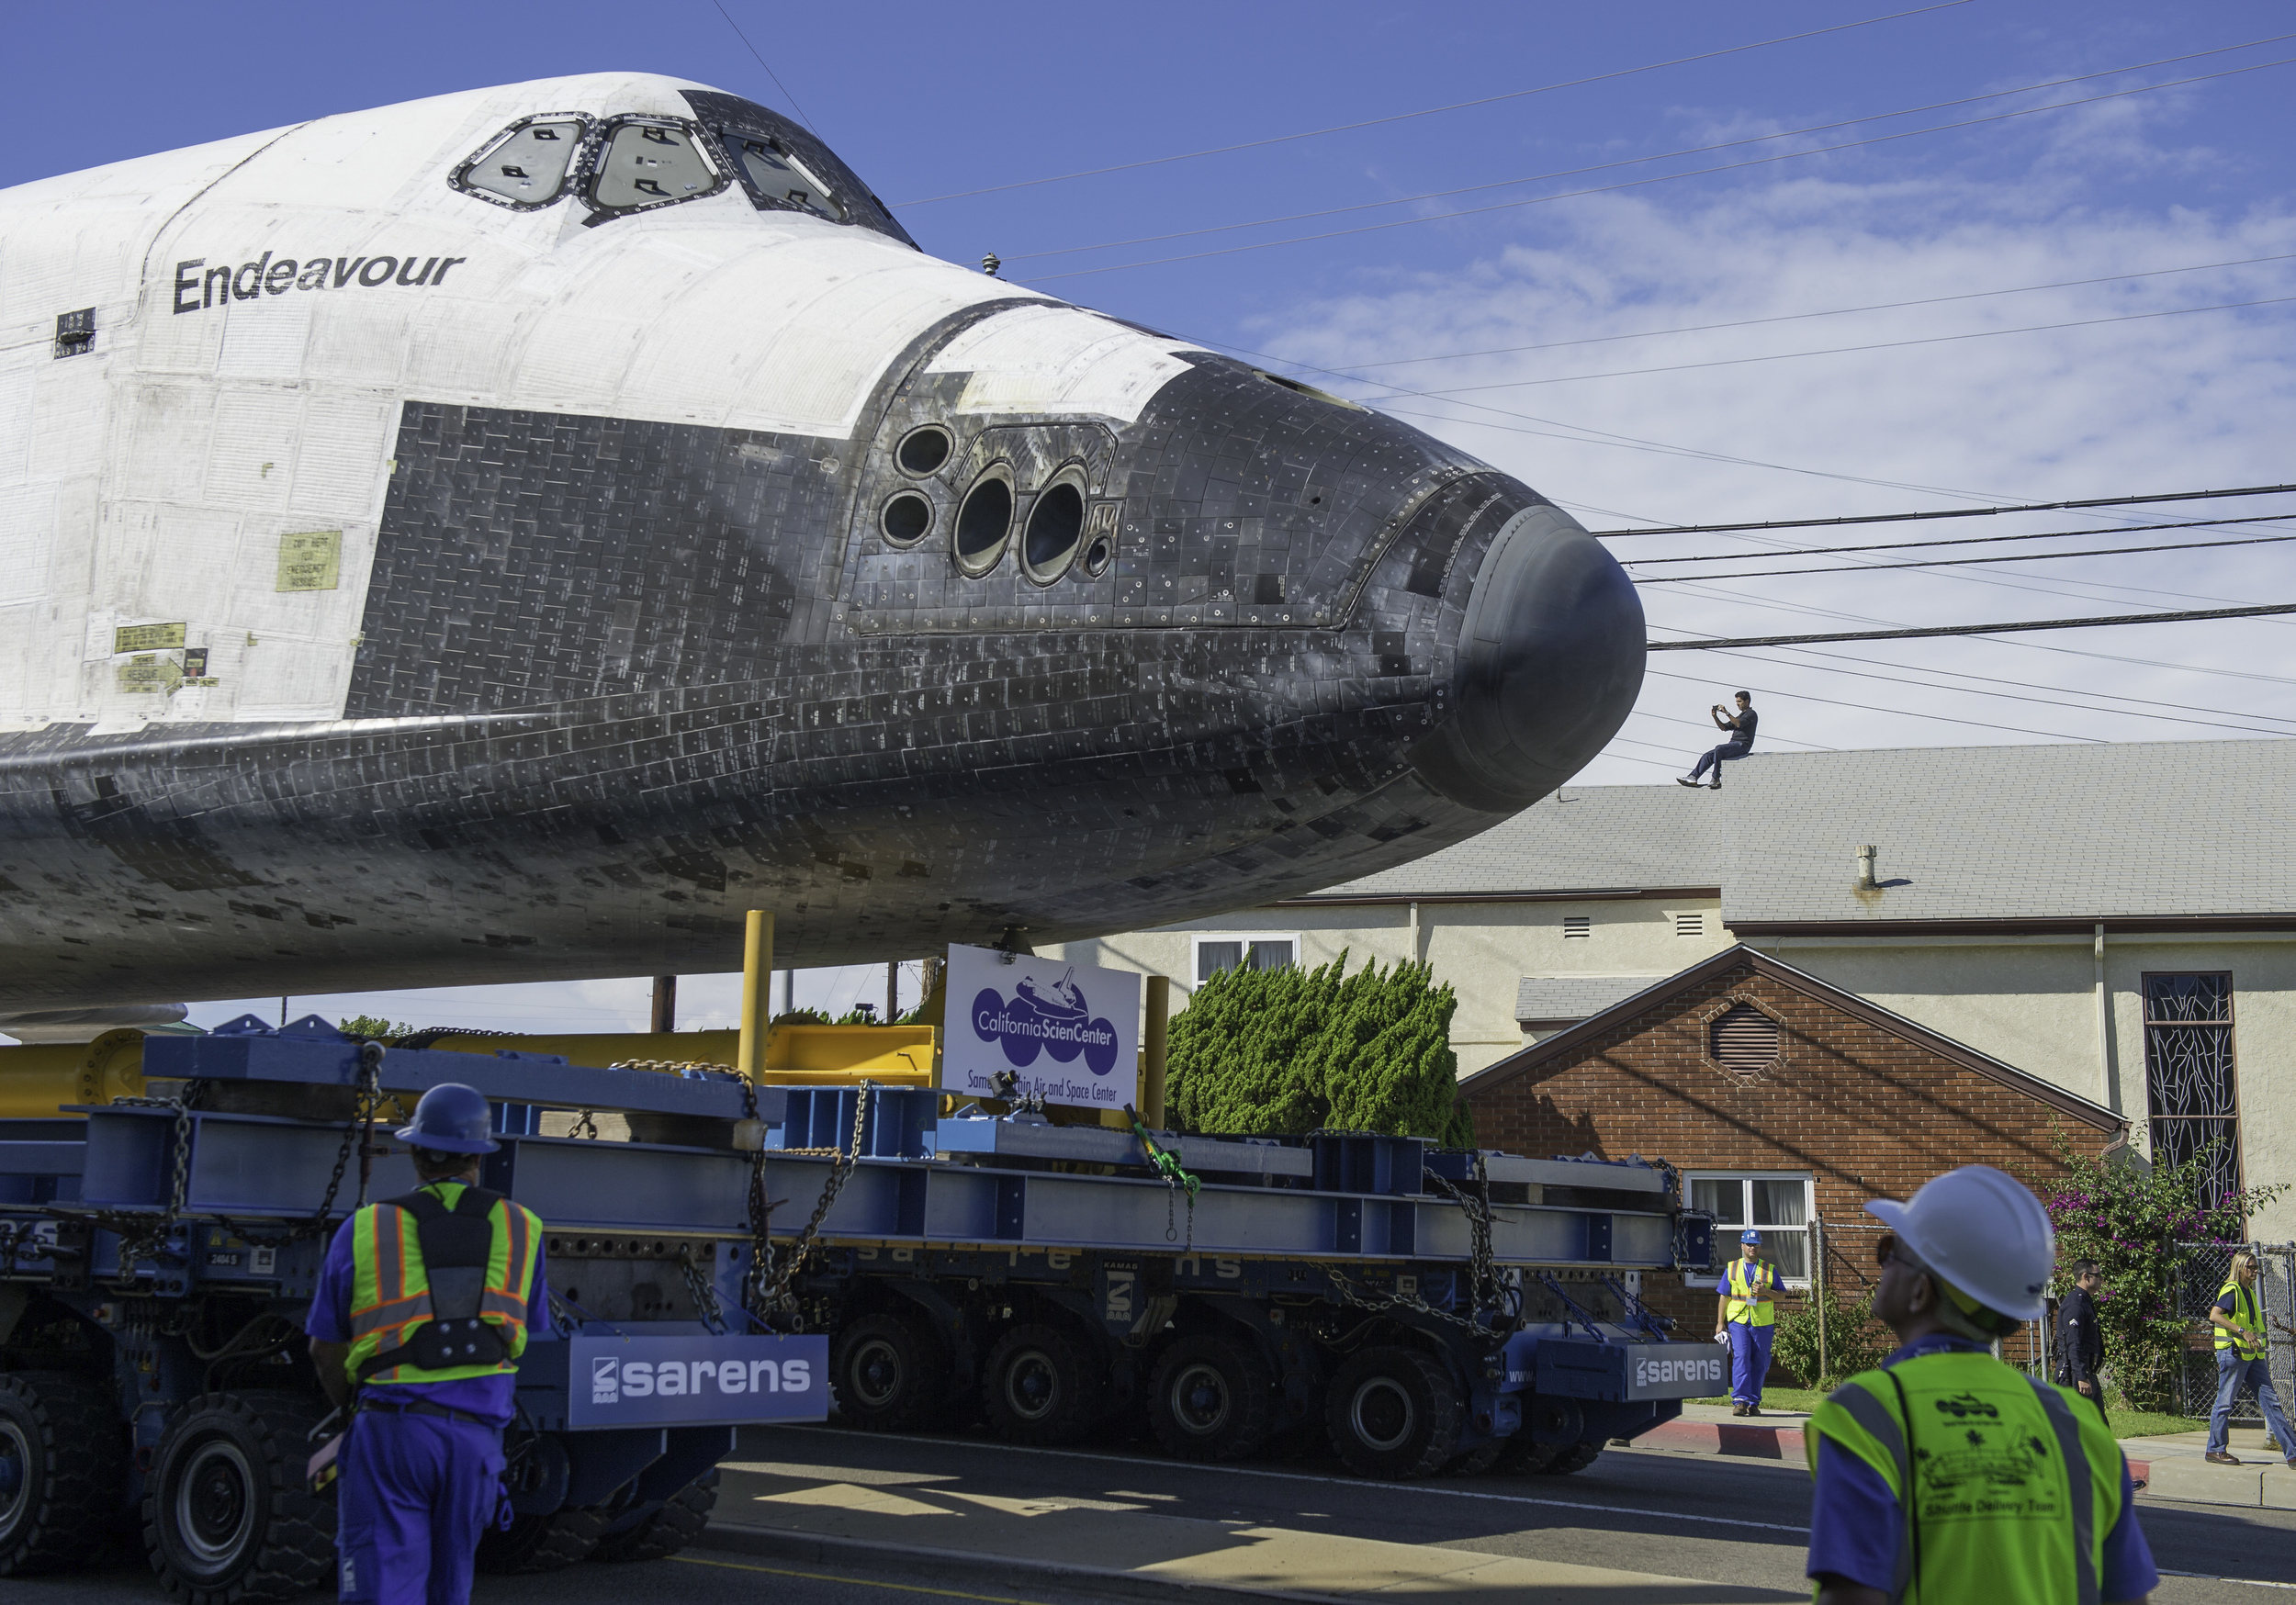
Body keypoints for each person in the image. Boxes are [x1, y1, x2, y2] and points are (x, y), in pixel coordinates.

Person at [1805, 1165, 2156, 1605]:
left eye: (1891, 1250)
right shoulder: (2077, 1424)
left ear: (1920, 1292)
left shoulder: (1863, 1417)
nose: (1881, 1260)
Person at [307, 1083, 549, 1605]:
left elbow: (322, 1348)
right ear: (481, 1157)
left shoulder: (365, 1228)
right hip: (476, 1443)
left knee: (382, 1587)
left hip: (392, 1434)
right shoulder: (524, 1228)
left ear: (414, 1153)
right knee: (450, 1588)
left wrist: (349, 1410)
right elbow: (529, 1336)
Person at [2203, 1248, 2296, 1467]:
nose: (2255, 1270)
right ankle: (2215, 1450)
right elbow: (2215, 1315)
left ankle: (2292, 1453)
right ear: (2240, 1268)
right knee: (2225, 1402)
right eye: (2251, 1267)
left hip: (2253, 1355)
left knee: (2271, 1403)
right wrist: (2242, 1331)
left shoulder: (2249, 1291)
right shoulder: (2232, 1289)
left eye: (2256, 1267)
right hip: (2234, 1353)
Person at [1713, 1229, 1778, 1417]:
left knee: (1760, 1362)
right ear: (1742, 1246)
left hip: (1762, 1323)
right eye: (1749, 1244)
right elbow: (1724, 1296)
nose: (1752, 1248)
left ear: (1760, 1247)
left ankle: (1753, 1402)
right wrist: (1720, 1323)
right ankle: (1740, 1401)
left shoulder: (1769, 1269)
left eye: (1756, 1245)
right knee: (1741, 1357)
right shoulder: (1732, 1268)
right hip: (1738, 1321)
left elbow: (1781, 1294)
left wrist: (1766, 1292)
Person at [2054, 1258, 2109, 1425]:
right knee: (2078, 1427)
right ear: (2086, 1276)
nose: (2101, 1279)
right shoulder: (2076, 1304)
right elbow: (2073, 1343)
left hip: (2086, 1373)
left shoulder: (2084, 1301)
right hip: (2074, 1375)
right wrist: (2081, 1376)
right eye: (2098, 1275)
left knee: (2099, 1426)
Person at [1681, 690, 1757, 789]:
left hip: (1743, 745)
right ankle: (1693, 777)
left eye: (1740, 701)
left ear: (1747, 702)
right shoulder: (1740, 716)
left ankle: (1716, 778)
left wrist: (1726, 712)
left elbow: (1738, 724)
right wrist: (1715, 717)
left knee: (1719, 749)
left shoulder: (1751, 714)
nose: (1737, 704)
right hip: (1734, 744)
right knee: (1708, 756)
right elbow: (1724, 728)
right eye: (1736, 702)